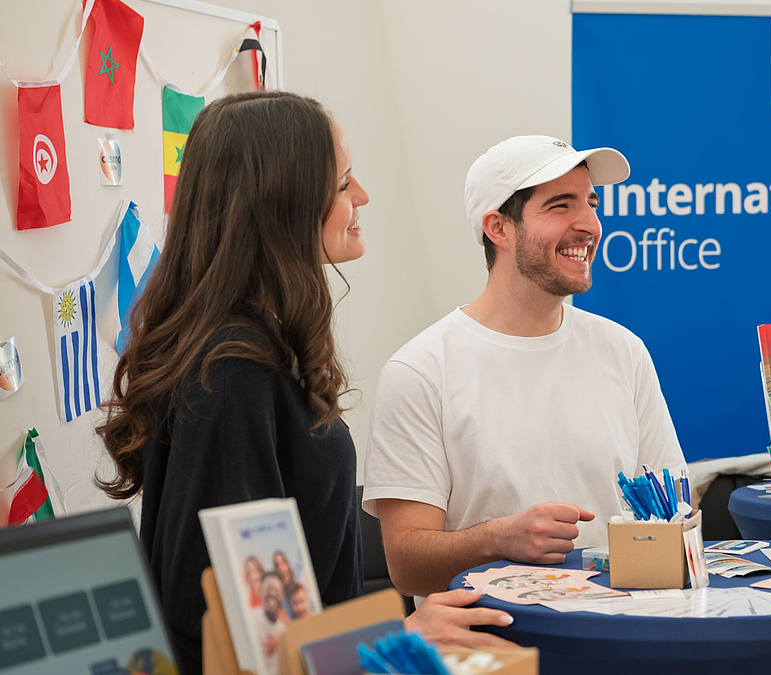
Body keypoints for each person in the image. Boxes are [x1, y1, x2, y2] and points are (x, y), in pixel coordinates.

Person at [96, 91, 514, 675]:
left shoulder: (261, 350)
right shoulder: (232, 375)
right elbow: (235, 626)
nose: (362, 196)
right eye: (344, 184)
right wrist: (398, 634)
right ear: (283, 202)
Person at [363, 135, 686, 596]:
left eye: (590, 203)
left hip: (624, 640)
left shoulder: (623, 351)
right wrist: (499, 539)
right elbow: (408, 568)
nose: (589, 225)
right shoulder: (421, 370)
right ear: (498, 228)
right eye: (560, 206)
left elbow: (674, 518)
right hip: (498, 653)